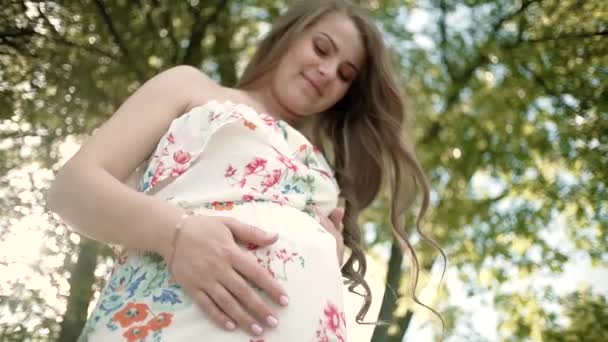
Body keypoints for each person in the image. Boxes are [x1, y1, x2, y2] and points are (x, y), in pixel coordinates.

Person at [47, 0, 443, 340]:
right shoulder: (193, 88)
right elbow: (71, 188)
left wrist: (327, 254)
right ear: (289, 35)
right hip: (171, 321)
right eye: (322, 48)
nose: (327, 71)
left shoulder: (322, 168)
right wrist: (175, 234)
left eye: (345, 74)